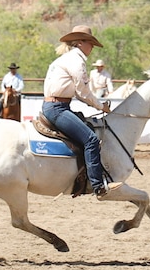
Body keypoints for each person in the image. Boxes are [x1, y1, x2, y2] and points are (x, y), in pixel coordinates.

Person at [42, 25, 120, 198]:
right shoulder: (76, 61)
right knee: (91, 139)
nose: (92, 47)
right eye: (90, 43)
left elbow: (78, 92)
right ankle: (98, 185)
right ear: (80, 43)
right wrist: (101, 107)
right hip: (57, 108)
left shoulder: (63, 60)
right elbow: (83, 92)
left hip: (54, 105)